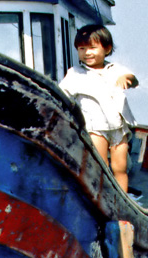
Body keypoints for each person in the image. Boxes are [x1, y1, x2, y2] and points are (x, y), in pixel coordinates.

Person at [59, 24, 137, 192]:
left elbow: (133, 79)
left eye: (92, 48)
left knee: (120, 168)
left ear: (107, 49)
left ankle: (122, 205)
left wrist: (127, 79)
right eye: (82, 48)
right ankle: (103, 201)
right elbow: (61, 93)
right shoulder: (75, 73)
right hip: (95, 128)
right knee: (101, 167)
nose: (87, 53)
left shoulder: (115, 70)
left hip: (118, 127)